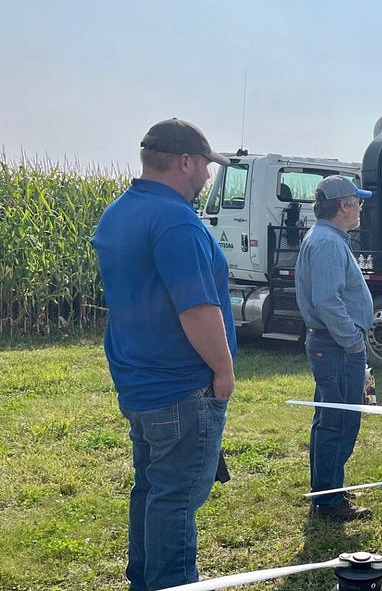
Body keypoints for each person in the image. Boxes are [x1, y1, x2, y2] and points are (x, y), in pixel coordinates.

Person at [91, 118, 235, 591]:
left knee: (152, 489)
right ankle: (172, 582)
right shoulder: (176, 220)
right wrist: (223, 371)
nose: (208, 176)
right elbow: (196, 309)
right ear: (186, 162)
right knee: (176, 499)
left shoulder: (118, 213)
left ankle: (145, 579)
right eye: (206, 166)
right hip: (181, 387)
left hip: (140, 382)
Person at [295, 175, 375, 520]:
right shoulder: (328, 242)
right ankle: (328, 501)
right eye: (358, 202)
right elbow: (327, 301)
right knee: (339, 422)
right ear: (344, 205)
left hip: (332, 344)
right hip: (338, 345)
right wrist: (353, 342)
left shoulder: (326, 237)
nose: (360, 208)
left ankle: (326, 491)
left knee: (329, 419)